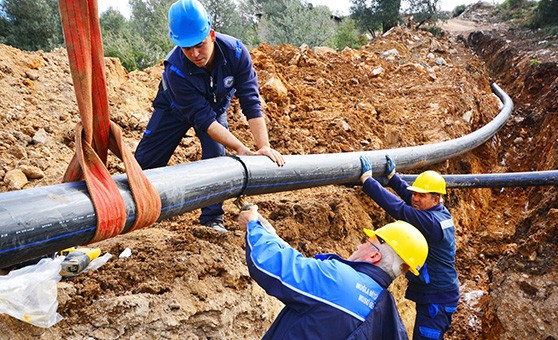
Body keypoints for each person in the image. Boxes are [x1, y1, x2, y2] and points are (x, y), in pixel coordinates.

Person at [135, 0, 285, 233]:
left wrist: (262, 146)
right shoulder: (174, 69)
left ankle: (211, 220)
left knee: (217, 159)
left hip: (214, 108)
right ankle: (135, 213)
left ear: (212, 35)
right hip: (173, 109)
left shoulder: (235, 53)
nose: (195, 54)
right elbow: (202, 119)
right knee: (144, 163)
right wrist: (241, 148)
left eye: (200, 44)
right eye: (186, 48)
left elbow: (250, 101)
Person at [238, 205, 429, 339]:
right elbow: (303, 266)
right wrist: (272, 236)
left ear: (374, 256)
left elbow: (270, 265)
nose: (358, 245)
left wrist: (253, 226)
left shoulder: (336, 280)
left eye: (367, 242)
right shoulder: (387, 315)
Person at [359, 155, 460, 340]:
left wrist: (367, 182)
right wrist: (393, 178)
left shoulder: (430, 223)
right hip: (440, 293)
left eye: (422, 195)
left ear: (436, 199)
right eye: (415, 193)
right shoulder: (438, 212)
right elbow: (410, 199)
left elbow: (399, 208)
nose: (415, 198)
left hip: (436, 299)